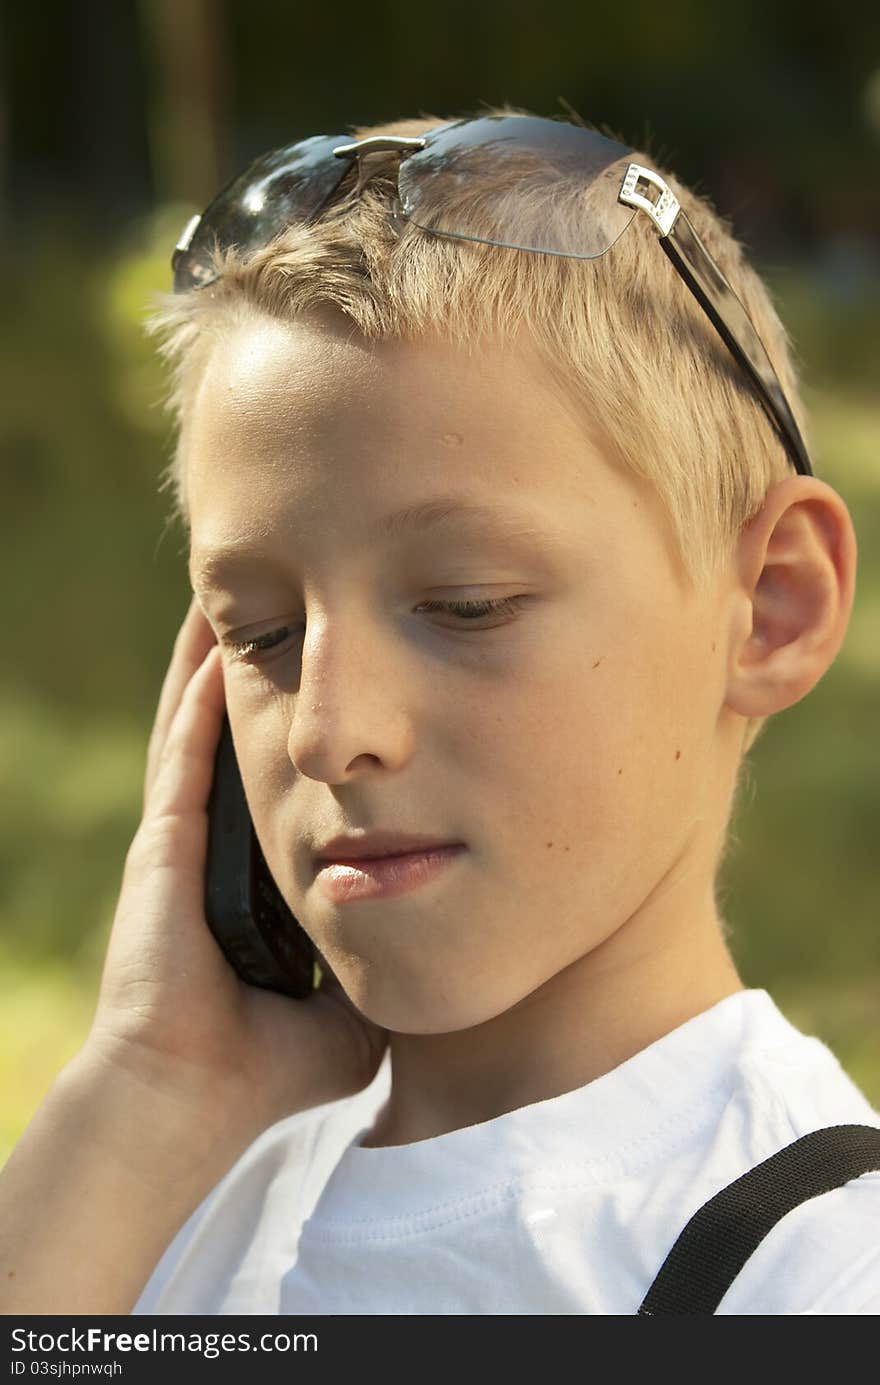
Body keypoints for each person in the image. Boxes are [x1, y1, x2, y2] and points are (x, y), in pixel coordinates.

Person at [1, 104, 877, 1317]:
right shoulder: (154, 1201)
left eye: (466, 605)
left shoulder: (812, 1270)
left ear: (771, 605)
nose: (322, 728)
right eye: (260, 634)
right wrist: (146, 1091)